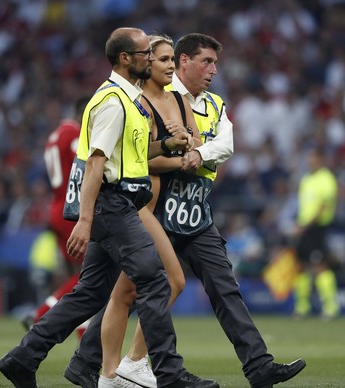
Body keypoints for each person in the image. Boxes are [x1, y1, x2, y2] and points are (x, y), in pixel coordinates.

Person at [66, 32, 306, 388]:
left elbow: (226, 144)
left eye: (216, 63)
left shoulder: (213, 105)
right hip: (157, 207)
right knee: (131, 290)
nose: (213, 70)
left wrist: (199, 152)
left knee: (224, 286)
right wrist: (180, 155)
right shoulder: (156, 93)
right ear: (183, 61)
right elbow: (137, 151)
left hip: (194, 212)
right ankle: (92, 363)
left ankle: (259, 366)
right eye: (206, 62)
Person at [0, 27, 218, 388]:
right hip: (112, 205)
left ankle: (24, 357)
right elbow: (96, 162)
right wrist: (84, 220)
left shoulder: (126, 100)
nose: (152, 58)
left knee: (90, 292)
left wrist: (168, 145)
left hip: (116, 203)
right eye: (146, 53)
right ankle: (170, 374)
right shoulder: (114, 102)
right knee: (155, 281)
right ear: (126, 59)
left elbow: (128, 156)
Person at [98, 33, 201, 388]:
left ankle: (110, 375)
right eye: (162, 59)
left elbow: (197, 143)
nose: (171, 65)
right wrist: (175, 156)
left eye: (173, 59)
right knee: (173, 281)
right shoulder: (134, 102)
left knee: (124, 293)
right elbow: (137, 161)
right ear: (144, 63)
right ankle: (132, 363)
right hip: (138, 204)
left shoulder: (177, 99)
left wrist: (186, 144)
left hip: (161, 208)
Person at [22, 95, 90, 332]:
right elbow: (82, 167)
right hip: (73, 209)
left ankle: (78, 329)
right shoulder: (75, 134)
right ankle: (41, 314)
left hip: (57, 208)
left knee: (81, 278)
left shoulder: (56, 134)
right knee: (90, 276)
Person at [292, 147, 340, 319]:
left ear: (321, 160)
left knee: (320, 266)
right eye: (309, 158)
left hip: (317, 228)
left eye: (314, 158)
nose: (310, 162)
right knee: (302, 266)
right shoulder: (306, 179)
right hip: (304, 228)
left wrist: (304, 226)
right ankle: (302, 307)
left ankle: (330, 307)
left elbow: (323, 207)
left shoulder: (326, 179)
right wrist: (299, 224)